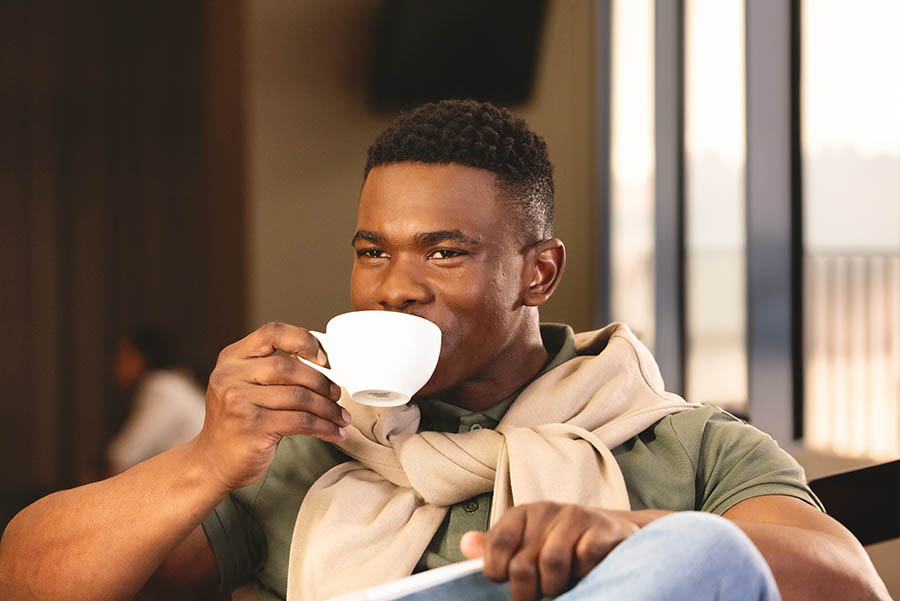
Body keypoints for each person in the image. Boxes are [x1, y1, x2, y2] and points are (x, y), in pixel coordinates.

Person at [0, 100, 889, 601]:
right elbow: (30, 576)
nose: (396, 286)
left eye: (445, 250)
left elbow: (849, 582)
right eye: (373, 250)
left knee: (705, 556)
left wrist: (630, 535)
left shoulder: (683, 441)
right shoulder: (306, 447)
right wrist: (203, 459)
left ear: (537, 274)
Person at [106, 326, 206, 475]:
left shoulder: (162, 388)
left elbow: (127, 455)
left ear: (140, 358)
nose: (115, 365)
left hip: (199, 478)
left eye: (124, 356)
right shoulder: (176, 382)